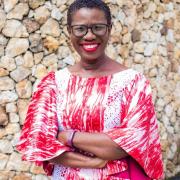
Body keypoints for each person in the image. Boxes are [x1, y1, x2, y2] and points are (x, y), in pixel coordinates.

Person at [16, 0, 164, 179]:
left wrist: (68, 137)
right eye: (80, 29)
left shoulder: (133, 83)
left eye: (98, 27)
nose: (89, 36)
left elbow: (124, 146)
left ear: (109, 29)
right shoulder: (53, 84)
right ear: (69, 31)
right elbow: (39, 145)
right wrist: (92, 162)